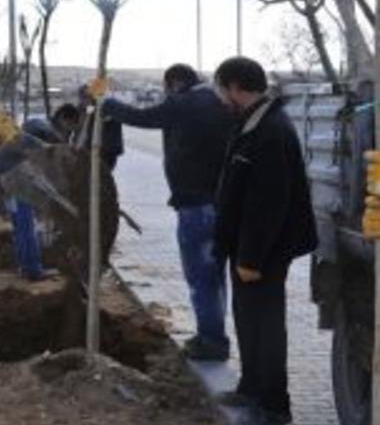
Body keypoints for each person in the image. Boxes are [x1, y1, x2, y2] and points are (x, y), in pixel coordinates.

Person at [100, 64, 234, 361]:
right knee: (215, 275)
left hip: (196, 206)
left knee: (201, 277)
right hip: (222, 204)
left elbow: (142, 117)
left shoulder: (183, 102)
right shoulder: (218, 101)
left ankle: (211, 342)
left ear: (174, 83)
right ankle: (215, 335)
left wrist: (106, 103)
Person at [212, 57, 317, 425]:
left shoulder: (271, 130)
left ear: (236, 87)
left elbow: (269, 202)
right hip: (246, 247)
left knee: (267, 326)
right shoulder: (252, 123)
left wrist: (251, 257)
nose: (220, 96)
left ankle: (274, 405)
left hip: (263, 251)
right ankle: (251, 388)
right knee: (247, 319)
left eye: (221, 88)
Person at [4, 104, 82, 280]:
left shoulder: (37, 123)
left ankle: (24, 267)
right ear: (64, 119)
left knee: (20, 226)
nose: (70, 132)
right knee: (26, 226)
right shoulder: (51, 136)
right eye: (71, 127)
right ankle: (32, 271)